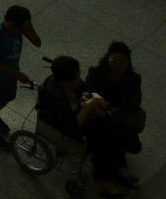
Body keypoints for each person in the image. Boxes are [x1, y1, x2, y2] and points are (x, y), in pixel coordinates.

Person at [38, 56, 129, 197]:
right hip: (67, 128)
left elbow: (84, 88)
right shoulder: (55, 99)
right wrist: (87, 107)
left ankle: (117, 164)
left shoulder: (69, 83)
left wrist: (92, 97)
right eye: (75, 79)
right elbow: (72, 127)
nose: (78, 80)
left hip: (77, 116)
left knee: (111, 124)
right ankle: (103, 179)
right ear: (65, 82)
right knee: (101, 140)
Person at [85, 41, 146, 180]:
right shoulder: (96, 73)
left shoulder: (133, 79)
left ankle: (112, 162)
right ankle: (118, 166)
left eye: (122, 63)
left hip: (119, 116)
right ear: (108, 58)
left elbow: (134, 104)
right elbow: (88, 91)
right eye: (114, 61)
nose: (117, 66)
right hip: (98, 114)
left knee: (133, 145)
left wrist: (113, 110)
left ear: (128, 63)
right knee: (111, 132)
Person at [0, 4, 41, 142]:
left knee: (9, 96)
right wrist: (17, 74)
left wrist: (29, 27)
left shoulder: (19, 28)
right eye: (20, 28)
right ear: (11, 23)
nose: (20, 32)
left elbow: (37, 42)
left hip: (11, 73)